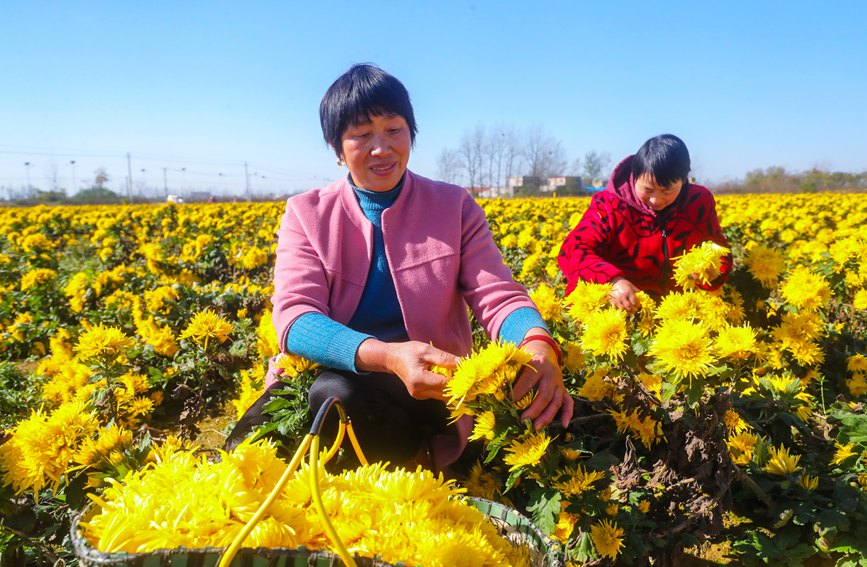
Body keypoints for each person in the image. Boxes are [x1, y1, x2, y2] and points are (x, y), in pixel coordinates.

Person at [231, 64, 572, 474]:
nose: (382, 147)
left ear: (411, 132)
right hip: (329, 375)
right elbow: (295, 319)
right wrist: (388, 356)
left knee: (336, 398)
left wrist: (538, 344)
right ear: (337, 149)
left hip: (432, 388)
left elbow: (497, 295)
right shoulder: (306, 214)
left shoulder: (453, 207)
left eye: (394, 130)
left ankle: (415, 458)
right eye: (361, 134)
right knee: (243, 456)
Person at [558, 134, 731, 311]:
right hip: (617, 311)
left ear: (684, 179)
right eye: (648, 190)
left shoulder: (699, 202)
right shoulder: (608, 205)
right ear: (634, 176)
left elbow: (720, 250)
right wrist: (611, 280)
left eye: (666, 191)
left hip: (680, 315)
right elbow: (572, 251)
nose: (655, 200)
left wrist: (713, 272)